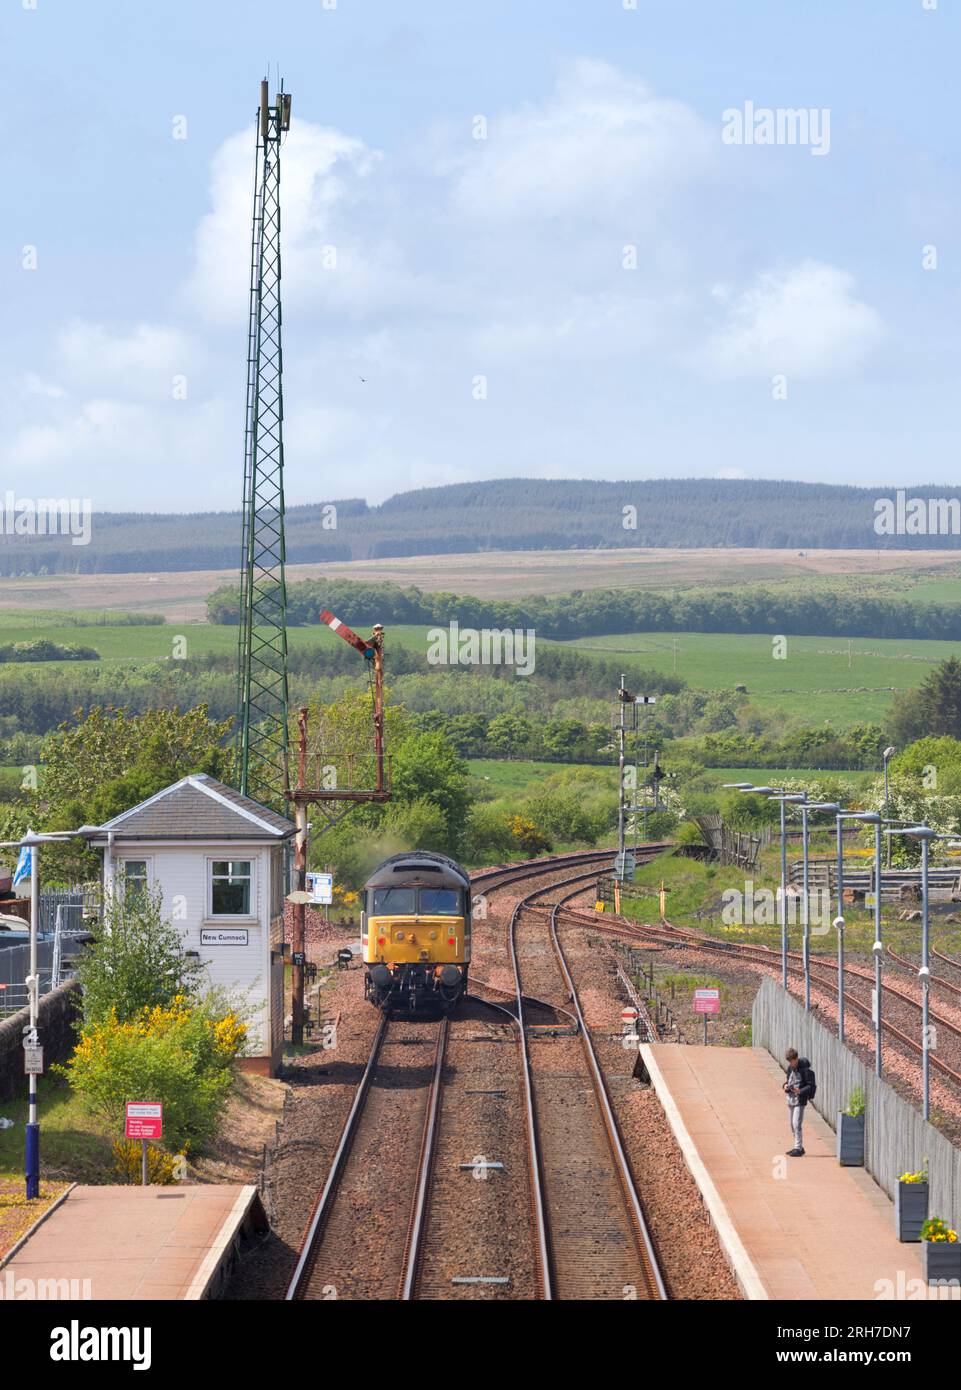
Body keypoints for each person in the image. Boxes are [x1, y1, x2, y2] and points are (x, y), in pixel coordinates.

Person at [783, 1047, 815, 1156]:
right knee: (792, 1125)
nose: (791, 1064)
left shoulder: (805, 1070)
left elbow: (811, 1086)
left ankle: (798, 1148)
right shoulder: (790, 1068)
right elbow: (788, 1081)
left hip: (799, 1100)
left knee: (796, 1123)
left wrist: (800, 1091)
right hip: (790, 1099)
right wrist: (785, 1086)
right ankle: (798, 1146)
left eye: (792, 1061)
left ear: (796, 1059)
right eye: (789, 1062)